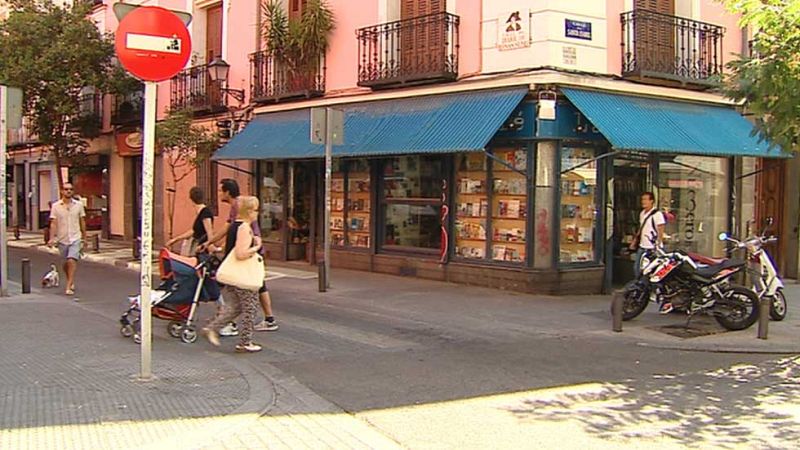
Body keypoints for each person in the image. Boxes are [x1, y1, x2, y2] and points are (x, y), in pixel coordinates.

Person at [201, 179, 279, 333]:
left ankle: (226, 321)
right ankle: (267, 319)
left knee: (228, 283)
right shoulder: (239, 205)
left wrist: (210, 242)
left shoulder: (239, 205)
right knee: (256, 285)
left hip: (246, 251)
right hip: (249, 250)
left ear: (227, 192)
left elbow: (229, 228)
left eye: (220, 190)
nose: (219, 193)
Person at [203, 196, 263, 353]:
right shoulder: (244, 228)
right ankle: (245, 342)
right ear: (249, 211)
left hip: (233, 274)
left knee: (236, 307)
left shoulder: (235, 225)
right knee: (250, 307)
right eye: (256, 210)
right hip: (242, 275)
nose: (258, 213)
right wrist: (256, 247)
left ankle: (212, 328)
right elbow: (241, 253)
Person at [629, 191, 669, 312]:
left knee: (654, 272)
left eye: (646, 200)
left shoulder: (657, 214)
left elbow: (661, 229)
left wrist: (659, 243)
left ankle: (654, 291)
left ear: (652, 201)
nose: (643, 202)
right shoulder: (642, 214)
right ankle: (641, 289)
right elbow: (642, 229)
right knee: (638, 269)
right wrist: (635, 241)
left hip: (653, 247)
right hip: (643, 246)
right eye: (642, 200)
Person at [48, 182, 86, 296]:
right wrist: (51, 238)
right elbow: (53, 223)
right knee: (65, 263)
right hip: (62, 238)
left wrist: (85, 237)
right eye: (66, 189)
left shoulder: (78, 205)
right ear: (62, 191)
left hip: (75, 237)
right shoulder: (56, 206)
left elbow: (82, 221)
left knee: (71, 260)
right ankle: (70, 278)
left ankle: (68, 286)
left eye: (70, 189)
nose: (68, 191)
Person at [165, 187, 214, 255]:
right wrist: (176, 239)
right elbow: (194, 231)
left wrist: (210, 246)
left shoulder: (205, 213)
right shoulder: (200, 213)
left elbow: (209, 232)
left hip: (201, 247)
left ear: (191, 199)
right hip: (196, 246)